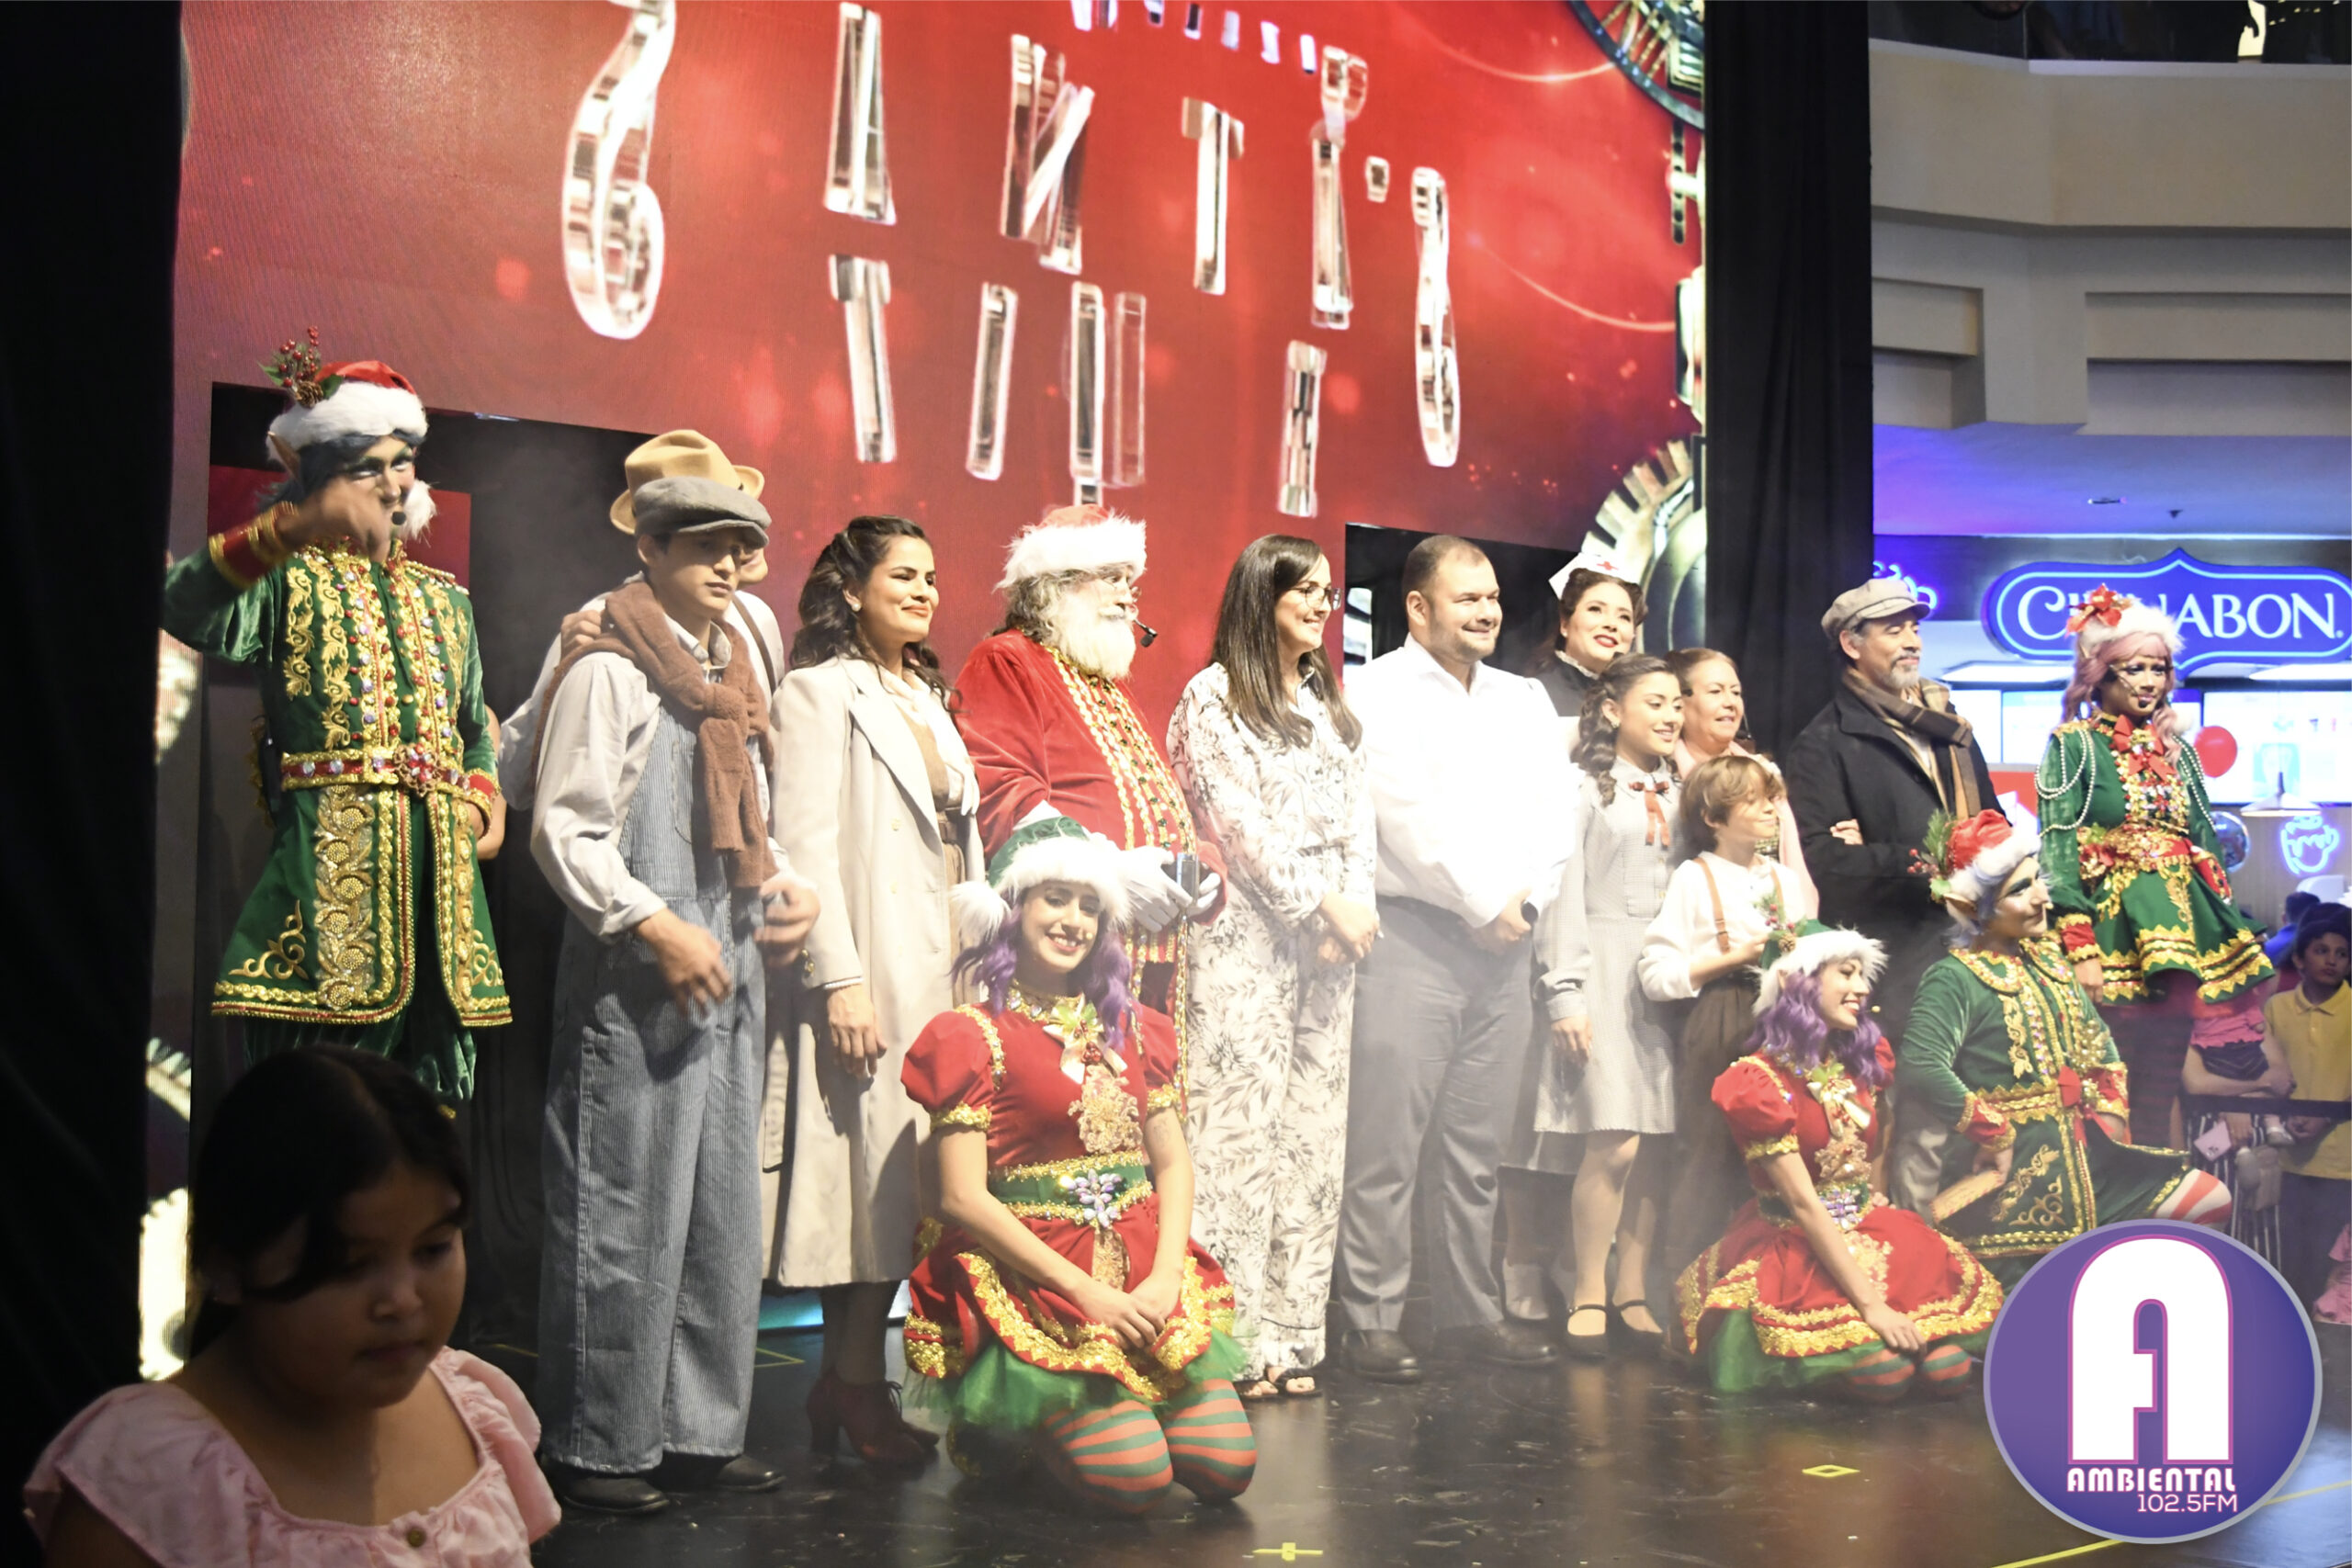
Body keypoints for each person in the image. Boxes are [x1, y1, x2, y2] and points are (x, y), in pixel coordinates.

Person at [529, 476, 815, 1515]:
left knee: (718, 1201)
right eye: (704, 547)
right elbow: (565, 829)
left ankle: (699, 1430)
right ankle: (599, 1442)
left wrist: (783, 887)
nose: (729, 566)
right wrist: (654, 923)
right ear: (648, 549)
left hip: (725, 947)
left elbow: (754, 812)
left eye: (740, 548)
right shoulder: (611, 667)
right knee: (624, 1197)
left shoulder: (733, 667)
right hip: (637, 960)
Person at [26, 1047, 560, 1565]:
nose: (402, 1300)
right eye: (349, 1265)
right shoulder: (148, 1482)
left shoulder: (470, 1408)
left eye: (433, 1249)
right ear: (228, 1266)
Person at [159, 336, 506, 1100]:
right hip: (327, 916)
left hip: (442, 917)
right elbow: (183, 607)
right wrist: (288, 529)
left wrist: (481, 801)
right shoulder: (285, 578)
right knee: (315, 1118)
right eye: (361, 463)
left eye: (399, 460)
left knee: (426, 1124)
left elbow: (474, 731)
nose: (386, 480)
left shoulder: (446, 601)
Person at [899, 819, 1255, 1513]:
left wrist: (1165, 1277)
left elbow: (1173, 1165)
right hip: (1045, 1284)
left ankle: (1117, 1411)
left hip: (1143, 1268)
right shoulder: (971, 1035)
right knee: (1136, 1479)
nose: (1074, 920)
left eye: (1090, 906)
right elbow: (962, 1197)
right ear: (1014, 907)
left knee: (1226, 1466)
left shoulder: (1136, 1028)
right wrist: (1087, 1295)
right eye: (1055, 899)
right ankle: (1018, 1433)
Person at [768, 516, 983, 1465]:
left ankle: (849, 1382)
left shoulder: (926, 695)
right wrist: (840, 980)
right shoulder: (818, 693)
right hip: (874, 961)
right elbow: (805, 846)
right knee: (865, 1179)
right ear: (851, 588)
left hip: (945, 958)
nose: (924, 591)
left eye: (931, 576)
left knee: (911, 1182)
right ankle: (853, 1383)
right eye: (903, 575)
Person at [1335, 536, 1574, 1382]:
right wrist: (1482, 904)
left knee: (1477, 1148)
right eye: (1466, 597)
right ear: (1417, 606)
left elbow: (1558, 815)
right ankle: (1371, 1317)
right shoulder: (1374, 691)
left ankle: (1469, 1313)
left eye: (1493, 598)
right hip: (1413, 936)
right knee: (1387, 1143)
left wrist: (1526, 906)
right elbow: (1401, 814)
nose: (1485, 611)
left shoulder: (1522, 698)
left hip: (1508, 943)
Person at [1166, 536, 1375, 1400]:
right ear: (1264, 593)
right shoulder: (1213, 696)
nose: (1323, 603)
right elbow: (1235, 824)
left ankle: (1290, 1337)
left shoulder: (1325, 699)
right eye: (1306, 589)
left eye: (1329, 590)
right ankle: (1228, 1339)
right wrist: (1319, 904)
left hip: (1332, 946)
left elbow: (1359, 817)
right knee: (1237, 1137)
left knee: (1312, 1139)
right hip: (1246, 937)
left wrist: (1352, 910)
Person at [1897, 810, 2231, 1288]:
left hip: (2088, 1161)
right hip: (2011, 1180)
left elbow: (2100, 1047)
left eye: (2038, 880)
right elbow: (1921, 1067)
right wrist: (1995, 1134)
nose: (2043, 898)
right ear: (1973, 907)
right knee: (2028, 1297)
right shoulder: (1953, 978)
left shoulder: (2051, 961)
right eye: (2020, 889)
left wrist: (2109, 1117)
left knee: (2207, 1198)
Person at [1673, 930, 2002, 1400]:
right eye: (1846, 973)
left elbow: (1876, 1142)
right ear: (1797, 982)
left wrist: (1873, 1194)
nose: (1863, 988)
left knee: (1948, 1368)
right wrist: (1873, 1307)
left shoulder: (1858, 1063)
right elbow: (1804, 1205)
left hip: (1869, 1228)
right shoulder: (1759, 1084)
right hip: (1799, 1244)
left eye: (1863, 974)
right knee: (1886, 1373)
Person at [955, 505, 1226, 1020]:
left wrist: (1202, 870)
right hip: (1068, 948)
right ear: (1057, 585)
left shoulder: (1105, 682)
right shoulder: (1007, 659)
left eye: (1130, 582)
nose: (1128, 596)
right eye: (1112, 579)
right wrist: (1108, 872)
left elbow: (1157, 803)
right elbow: (1004, 795)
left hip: (1153, 960)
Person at [1782, 578, 1998, 1218]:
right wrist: (1923, 862)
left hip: (1974, 954)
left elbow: (1991, 828)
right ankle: (1907, 1246)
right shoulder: (1825, 741)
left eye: (1914, 627)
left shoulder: (1950, 729)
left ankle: (1973, 1255)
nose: (1912, 640)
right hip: (1900, 963)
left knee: (1982, 1113)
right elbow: (1827, 862)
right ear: (1852, 644)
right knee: (1909, 1122)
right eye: (1893, 629)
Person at [2038, 588, 2274, 1150]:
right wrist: (2079, 944)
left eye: (2159, 669)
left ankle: (2153, 1187)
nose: (2149, 682)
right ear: (2101, 674)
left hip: (2180, 931)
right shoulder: (2074, 745)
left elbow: (2205, 844)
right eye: (2135, 669)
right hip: (2113, 931)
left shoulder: (2179, 752)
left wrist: (2222, 925)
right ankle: (2105, 1190)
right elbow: (2058, 846)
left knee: (2161, 1085)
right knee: (2105, 1081)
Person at [493, 430, 788, 809]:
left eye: (739, 523)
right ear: (654, 546)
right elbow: (518, 781)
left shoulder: (757, 620)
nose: (734, 554)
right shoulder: (603, 622)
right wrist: (560, 680)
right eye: (706, 539)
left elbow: (765, 765)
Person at [1529, 655, 1684, 1358]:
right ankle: (1585, 1283)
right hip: (1603, 969)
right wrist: (1565, 989)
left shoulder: (1687, 790)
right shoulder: (1584, 790)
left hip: (1672, 975)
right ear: (1615, 710)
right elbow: (1563, 894)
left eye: (1677, 703)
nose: (1671, 715)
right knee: (1614, 1138)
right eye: (1656, 702)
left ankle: (1632, 1285)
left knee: (1657, 1139)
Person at [1640, 752, 1818, 1283]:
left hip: (1784, 1020)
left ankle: (1774, 1280)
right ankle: (1691, 1283)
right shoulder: (1695, 878)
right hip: (1723, 1013)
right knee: (1709, 1151)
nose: (1770, 810)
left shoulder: (1783, 878)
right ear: (1714, 818)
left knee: (1781, 1153)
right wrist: (1733, 957)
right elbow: (1657, 973)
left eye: (1772, 800)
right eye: (1754, 801)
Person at [1666, 647, 1815, 912]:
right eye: (1715, 691)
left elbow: (1792, 859)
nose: (1730, 703)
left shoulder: (1762, 771)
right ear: (1680, 702)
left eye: (1735, 692)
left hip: (1775, 918)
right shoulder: (1665, 777)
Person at [2273, 902, 2350, 1308]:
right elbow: (2265, 1072)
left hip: (2343, 1162)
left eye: (2341, 953)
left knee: (2331, 1267)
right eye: (2321, 951)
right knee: (2288, 1259)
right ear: (2300, 959)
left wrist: (2324, 1117)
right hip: (2284, 1159)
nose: (2332, 961)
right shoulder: (2277, 1008)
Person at [1528, 549, 1644, 725]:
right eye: (1596, 609)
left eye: (1624, 617)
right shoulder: (1532, 695)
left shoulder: (1639, 706)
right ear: (1565, 624)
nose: (1611, 624)